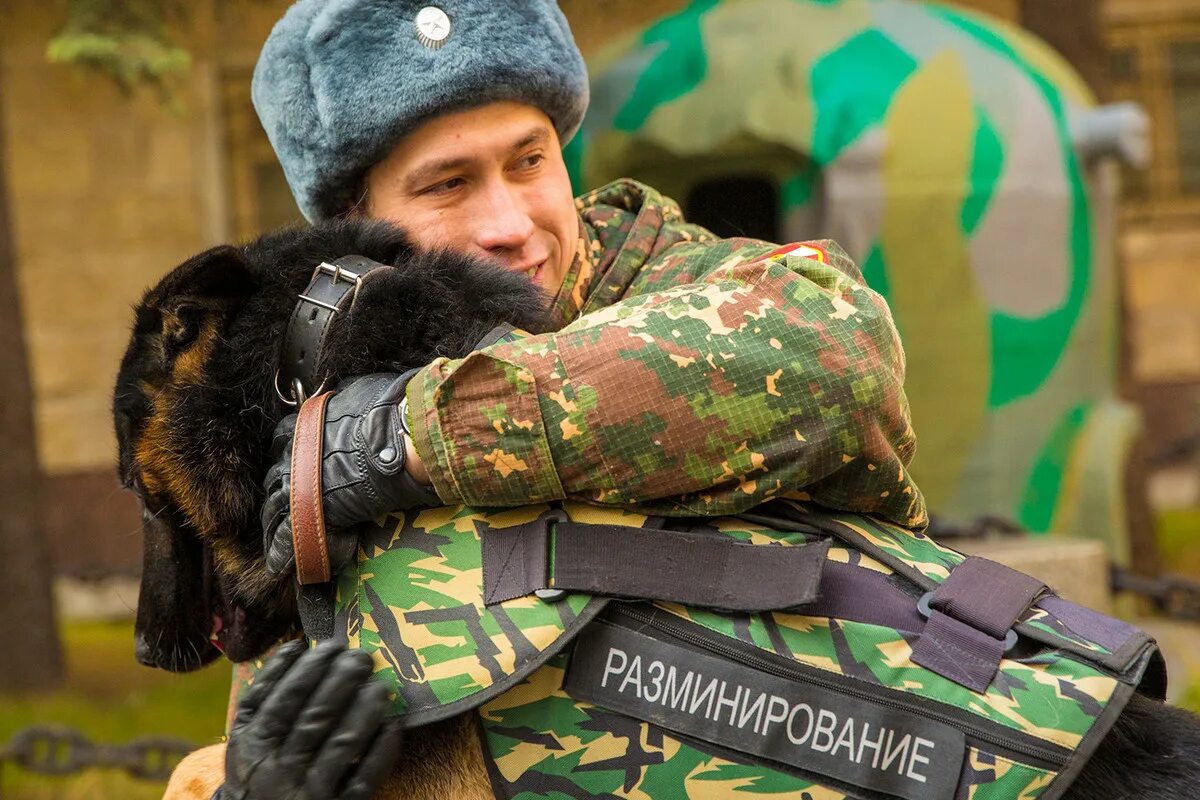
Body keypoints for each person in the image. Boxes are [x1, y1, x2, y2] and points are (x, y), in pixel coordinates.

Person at [185, 1, 927, 797]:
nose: (508, 222)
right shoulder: (322, 409)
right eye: (448, 184)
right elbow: (282, 710)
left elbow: (840, 350)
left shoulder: (673, 279)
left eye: (529, 161)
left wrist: (413, 440)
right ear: (353, 230)